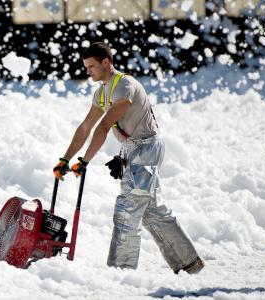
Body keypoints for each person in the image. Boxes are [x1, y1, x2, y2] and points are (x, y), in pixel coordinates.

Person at [53, 42, 204, 274]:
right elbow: (85, 127)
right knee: (151, 209)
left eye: (91, 66)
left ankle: (119, 272)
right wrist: (65, 160)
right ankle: (189, 263)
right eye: (86, 67)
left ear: (106, 62)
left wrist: (84, 161)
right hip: (133, 149)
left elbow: (103, 126)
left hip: (147, 147)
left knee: (128, 208)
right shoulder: (101, 93)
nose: (88, 71)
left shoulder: (124, 85)